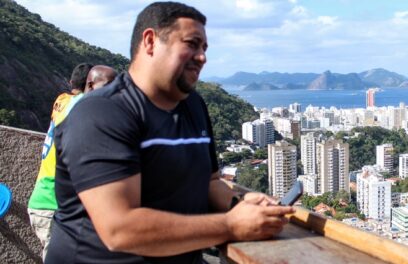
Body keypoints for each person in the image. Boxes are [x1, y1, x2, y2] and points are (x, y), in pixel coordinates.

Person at [46, 2, 294, 264]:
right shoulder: (101, 113)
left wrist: (239, 204)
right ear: (151, 41)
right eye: (191, 43)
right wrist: (231, 225)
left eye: (204, 48)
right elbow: (120, 230)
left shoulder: (194, 106)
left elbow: (209, 183)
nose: (202, 56)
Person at [27, 63, 117, 260]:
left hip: (44, 201)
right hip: (53, 204)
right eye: (109, 85)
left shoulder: (63, 101)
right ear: (90, 85)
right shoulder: (83, 107)